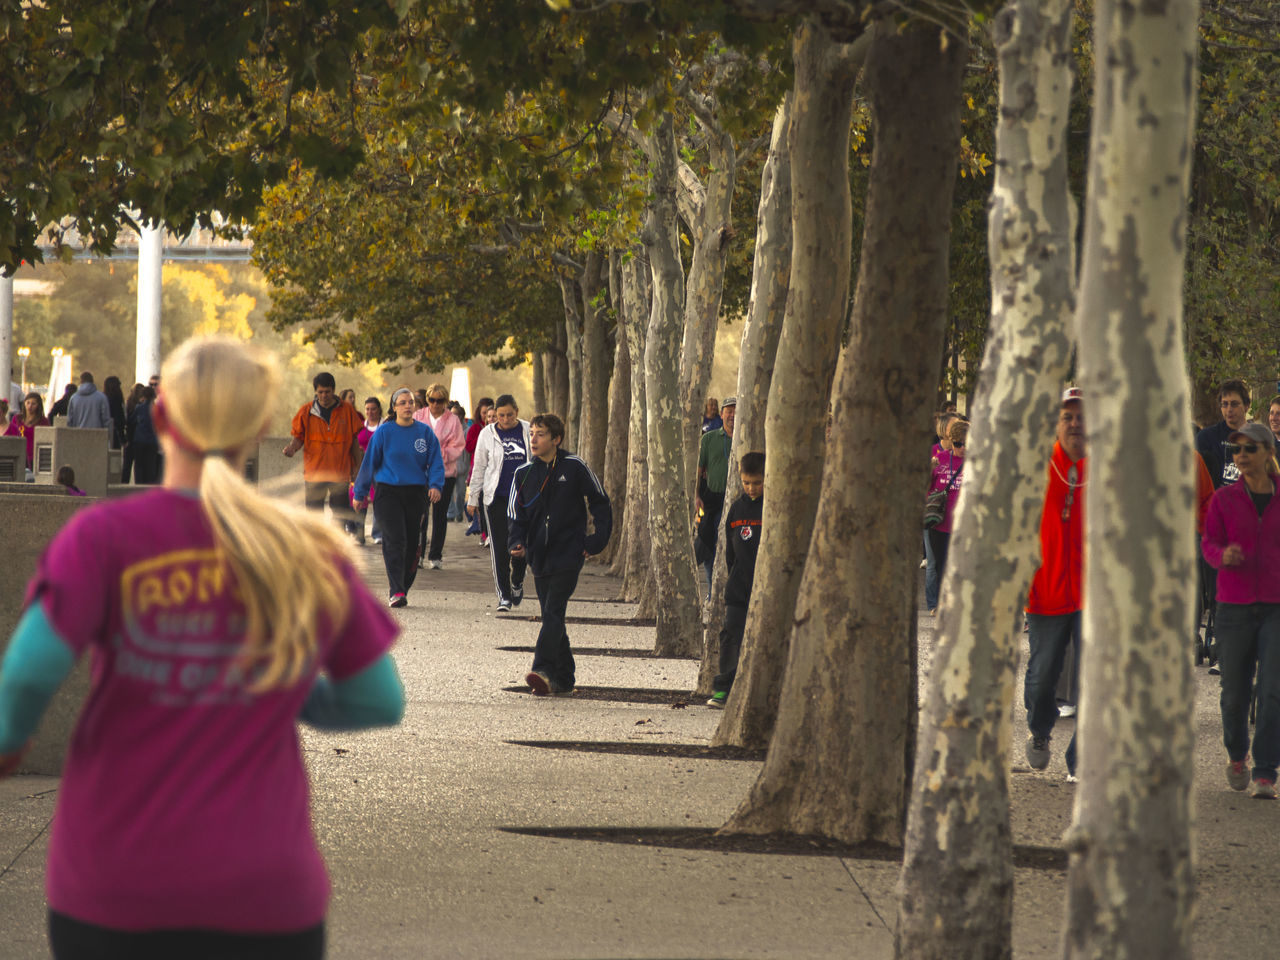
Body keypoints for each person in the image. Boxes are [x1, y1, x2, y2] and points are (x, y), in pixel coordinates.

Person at [0, 335, 404, 958]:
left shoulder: (104, 536)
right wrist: (285, 692)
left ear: (161, 417)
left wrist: (10, 742)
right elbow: (379, 699)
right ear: (261, 425)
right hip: (265, 892)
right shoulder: (305, 546)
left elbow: (29, 676)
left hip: (112, 883)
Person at [1202, 422, 1280, 799]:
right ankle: (1237, 754)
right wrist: (1222, 555)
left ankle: (1266, 770)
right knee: (1234, 693)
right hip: (1233, 606)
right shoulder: (1224, 500)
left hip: (1276, 606)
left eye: (1250, 449)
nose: (1241, 457)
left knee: (1273, 690)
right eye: (1237, 451)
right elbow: (1208, 543)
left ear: (1269, 453)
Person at [509, 413, 611, 695]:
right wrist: (517, 542)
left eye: (540, 434)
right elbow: (516, 517)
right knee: (552, 616)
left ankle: (541, 668)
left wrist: (596, 541)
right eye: (532, 434)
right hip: (539, 557)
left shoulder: (574, 466)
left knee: (553, 611)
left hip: (570, 552)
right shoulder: (523, 474)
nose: (534, 439)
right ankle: (565, 679)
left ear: (556, 439)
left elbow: (600, 501)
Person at [1024, 387, 1085, 780]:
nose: (1077, 423)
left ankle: (1081, 759)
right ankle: (1040, 730)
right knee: (1043, 676)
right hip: (1044, 589)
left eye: (1083, 417)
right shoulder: (1035, 466)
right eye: (1069, 416)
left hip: (1092, 591)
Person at [353, 388, 444, 607]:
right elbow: (369, 463)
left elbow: (436, 462)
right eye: (402, 403)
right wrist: (360, 492)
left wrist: (435, 485)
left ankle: (403, 584)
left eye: (410, 402)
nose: (407, 406)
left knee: (412, 542)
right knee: (395, 539)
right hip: (388, 492)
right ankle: (396, 590)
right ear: (394, 407)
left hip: (416, 493)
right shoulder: (384, 432)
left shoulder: (425, 432)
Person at [707, 451, 764, 709]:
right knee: (731, 635)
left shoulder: (773, 506)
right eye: (746, 482)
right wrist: (735, 575)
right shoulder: (737, 509)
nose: (751, 488)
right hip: (738, 587)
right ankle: (723, 688)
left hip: (765, 588)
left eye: (757, 482)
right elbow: (730, 550)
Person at [466, 395, 531, 611]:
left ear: (517, 412)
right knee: (500, 547)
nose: (504, 419)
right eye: (501, 415)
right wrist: (473, 497)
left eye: (509, 415)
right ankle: (503, 595)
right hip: (497, 498)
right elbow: (479, 467)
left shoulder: (527, 430)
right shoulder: (487, 434)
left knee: (520, 545)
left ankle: (517, 581)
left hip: (523, 499)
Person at [283, 372, 364, 534]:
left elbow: (355, 442)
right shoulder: (306, 411)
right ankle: (316, 546)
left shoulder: (347, 411)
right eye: (320, 392)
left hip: (339, 473)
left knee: (340, 514)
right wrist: (292, 448)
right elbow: (298, 438)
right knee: (313, 514)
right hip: (314, 473)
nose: (324, 396)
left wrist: (357, 467)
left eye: (327, 391)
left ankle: (337, 544)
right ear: (315, 392)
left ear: (333, 390)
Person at [413, 384, 466, 570]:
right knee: (419, 514)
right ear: (427, 400)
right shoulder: (418, 416)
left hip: (445, 473)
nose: (435, 404)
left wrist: (436, 454)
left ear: (445, 401)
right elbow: (412, 441)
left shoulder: (453, 421)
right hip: (420, 473)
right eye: (432, 400)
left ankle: (435, 555)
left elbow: (458, 446)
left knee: (440, 514)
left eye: (440, 400)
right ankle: (416, 553)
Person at [925, 418, 968, 613]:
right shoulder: (940, 459)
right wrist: (929, 470)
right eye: (958, 444)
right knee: (941, 566)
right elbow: (926, 489)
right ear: (952, 442)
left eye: (967, 444)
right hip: (940, 524)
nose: (962, 448)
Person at [695, 397, 736, 596]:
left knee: (729, 548)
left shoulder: (747, 437)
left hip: (737, 503)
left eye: (737, 411)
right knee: (707, 545)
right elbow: (699, 470)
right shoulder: (709, 439)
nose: (733, 415)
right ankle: (712, 593)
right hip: (712, 500)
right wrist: (696, 497)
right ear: (722, 415)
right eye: (729, 411)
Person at [1197, 378, 1250, 490]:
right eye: (1225, 404)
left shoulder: (1261, 438)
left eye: (1234, 404)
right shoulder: (1206, 437)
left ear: (1246, 406)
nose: (1229, 409)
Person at [349, 396, 384, 546]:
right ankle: (358, 532)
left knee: (379, 500)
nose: (370, 412)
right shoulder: (360, 427)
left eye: (373, 409)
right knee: (358, 498)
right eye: (367, 409)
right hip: (362, 468)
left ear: (379, 410)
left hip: (379, 468)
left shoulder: (384, 427)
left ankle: (378, 532)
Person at [4, 393, 49, 474]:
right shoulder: (17, 418)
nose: (30, 406)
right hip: (19, 454)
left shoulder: (43, 421)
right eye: (28, 402)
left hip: (34, 457)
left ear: (38, 405)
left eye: (33, 403)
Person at [129, 386, 162, 484]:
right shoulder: (156, 409)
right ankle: (149, 485)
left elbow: (131, 420)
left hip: (139, 440)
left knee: (139, 465)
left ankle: (139, 485)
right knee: (150, 465)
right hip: (152, 441)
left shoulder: (139, 407)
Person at [102, 376, 126, 449]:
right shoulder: (117, 400)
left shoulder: (103, 398)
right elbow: (120, 419)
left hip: (104, 431)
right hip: (115, 432)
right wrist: (123, 438)